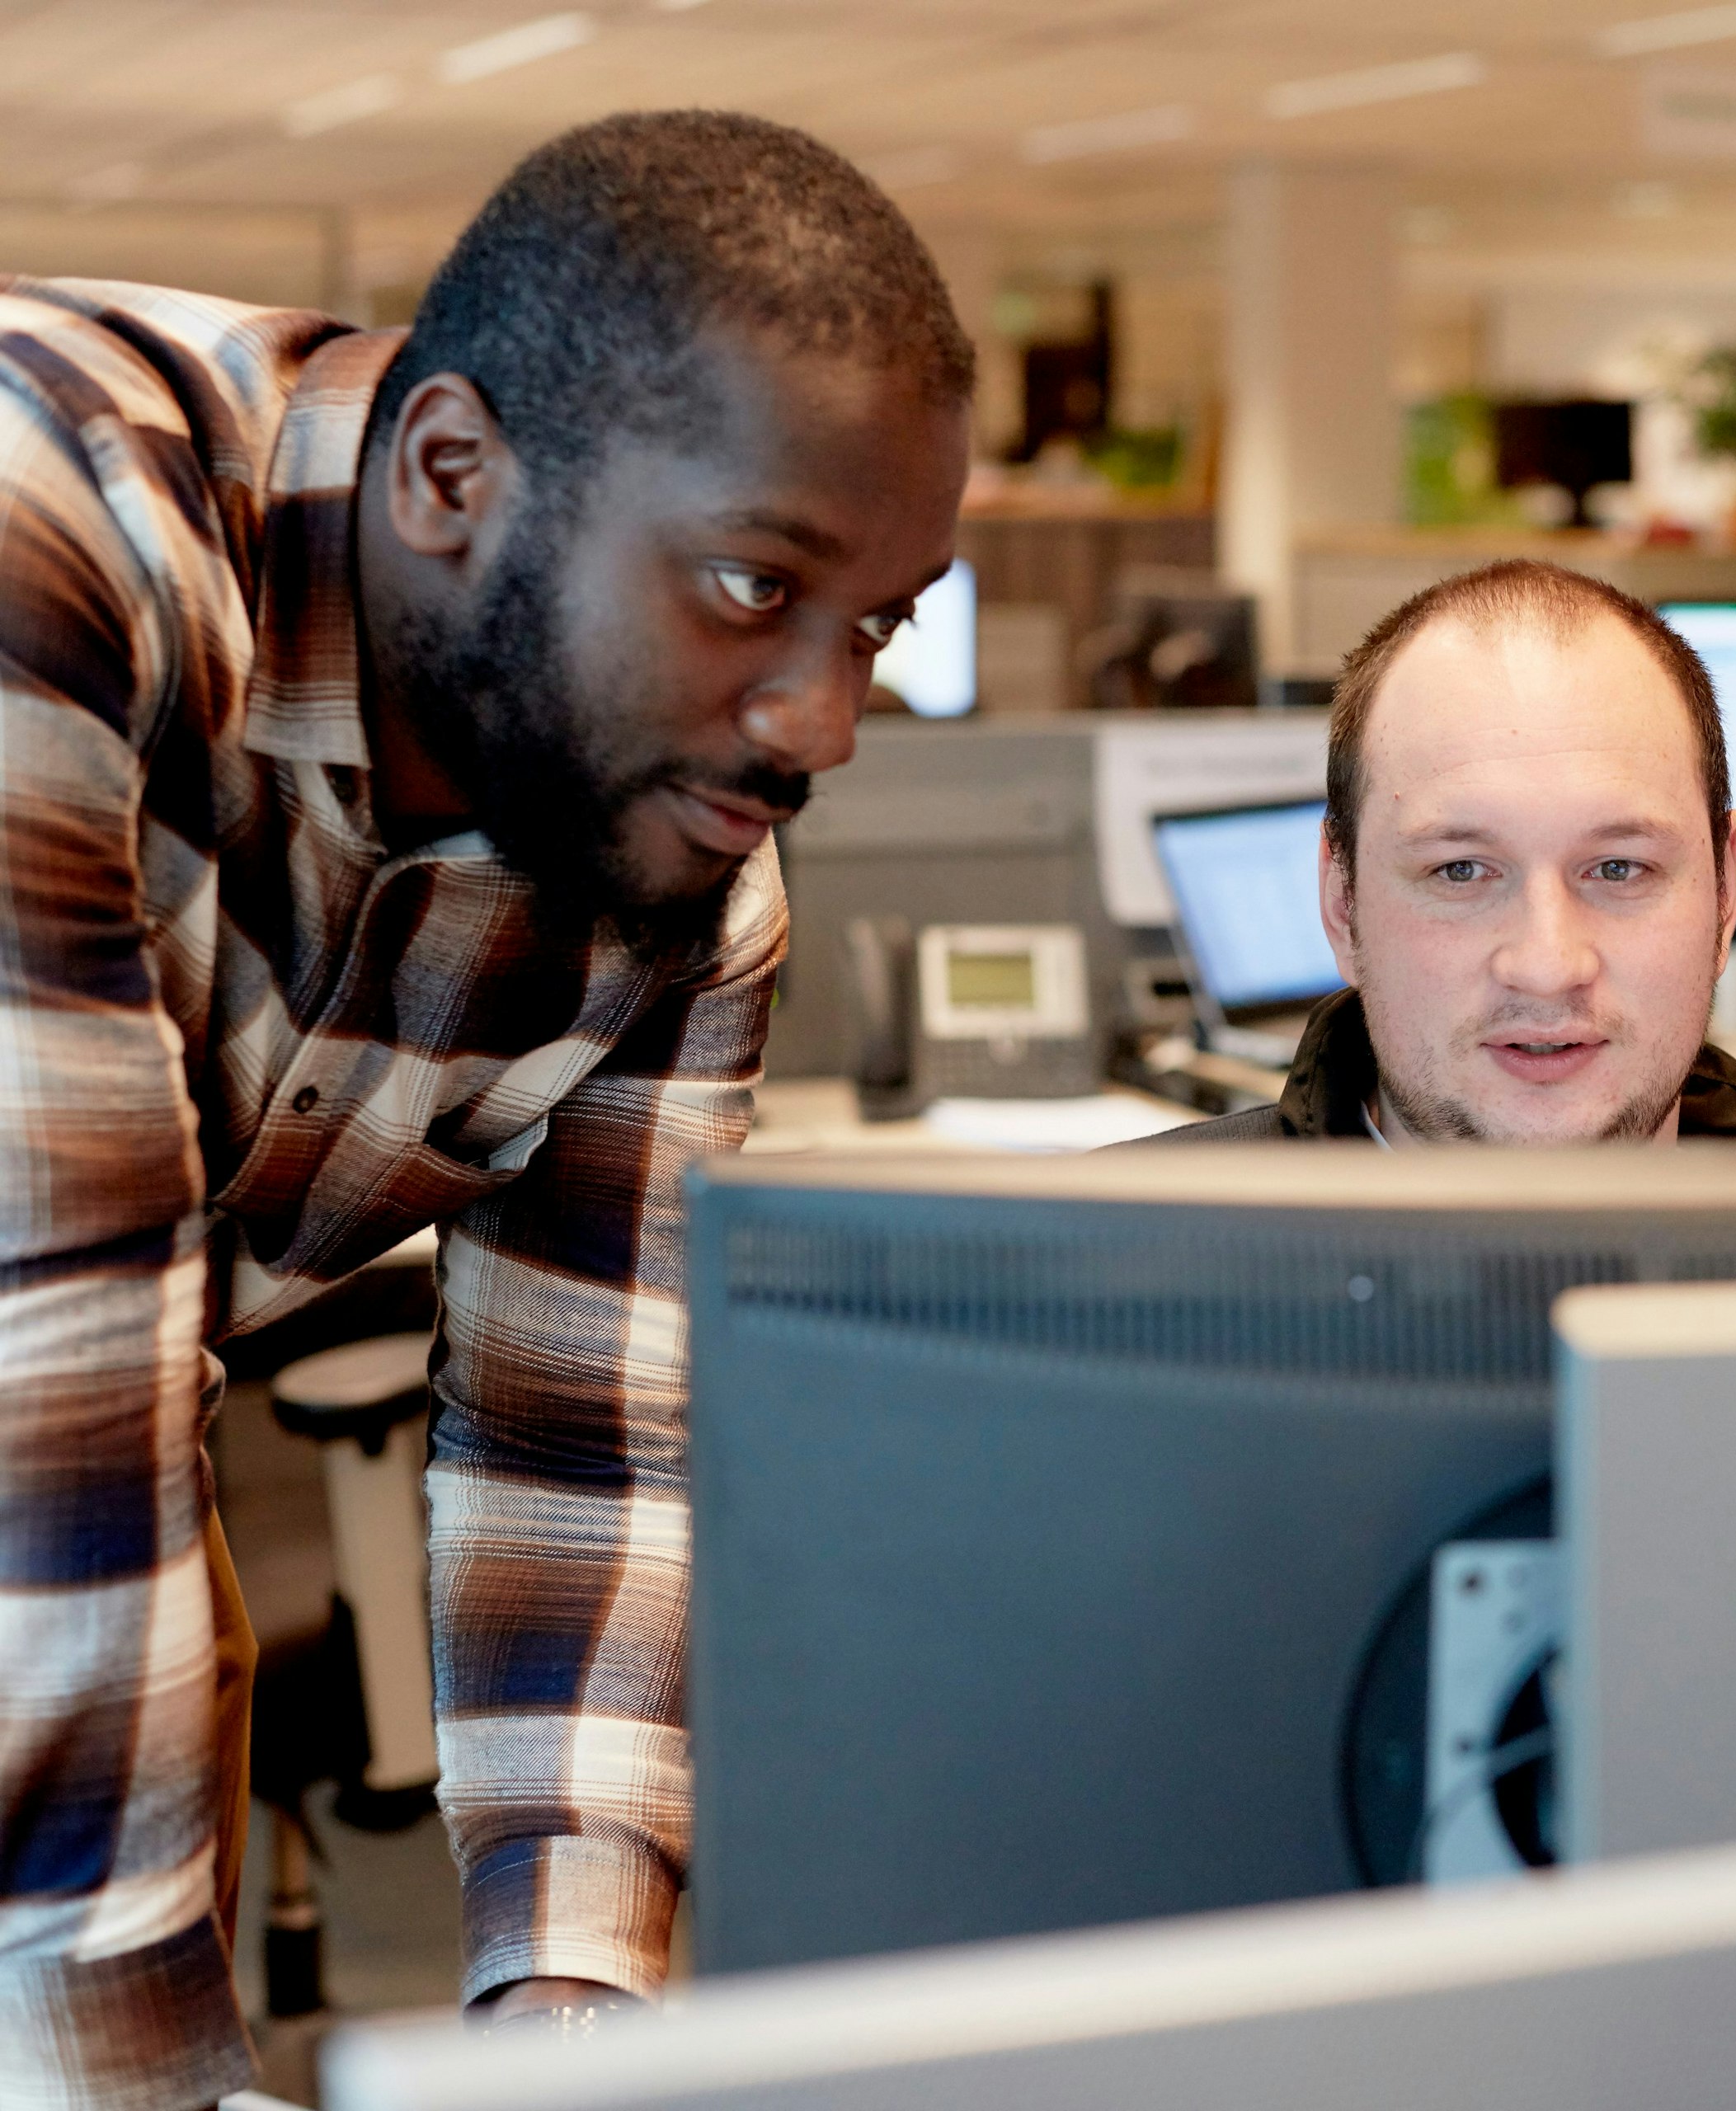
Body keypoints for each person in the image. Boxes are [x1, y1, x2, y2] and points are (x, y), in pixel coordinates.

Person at [0, 113, 971, 2103]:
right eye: (747, 581)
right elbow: (48, 1367)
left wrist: (572, 2034)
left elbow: (582, 1459)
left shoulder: (673, 862)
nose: (821, 721)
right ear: (453, 474)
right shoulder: (54, 528)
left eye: (871, 622)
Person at [1146, 562, 1736, 1144]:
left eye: (1619, 868)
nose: (1547, 967)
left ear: (1725, 891)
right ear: (1342, 904)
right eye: (1460, 871)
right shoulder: (1101, 1264)